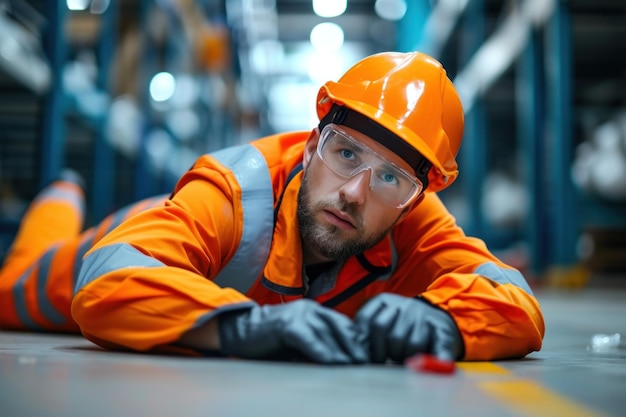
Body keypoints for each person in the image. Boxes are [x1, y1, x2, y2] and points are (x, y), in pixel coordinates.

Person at [0, 51, 545, 364]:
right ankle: (62, 192)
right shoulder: (237, 189)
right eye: (345, 153)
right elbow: (106, 280)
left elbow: (515, 299)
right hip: (125, 238)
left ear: (417, 198)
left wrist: (442, 319)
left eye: (388, 178)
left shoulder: (414, 222)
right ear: (311, 146)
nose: (355, 192)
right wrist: (245, 326)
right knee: (13, 283)